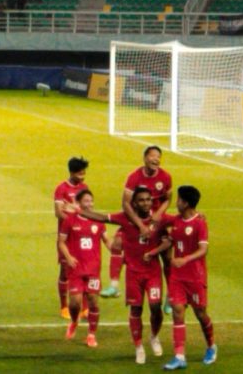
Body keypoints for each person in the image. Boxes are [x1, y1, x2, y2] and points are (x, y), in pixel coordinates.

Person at [79, 187, 167, 364]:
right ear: (134, 203)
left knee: (156, 307)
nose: (146, 203)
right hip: (133, 274)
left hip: (153, 273)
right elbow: (103, 218)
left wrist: (198, 217)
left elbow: (176, 225)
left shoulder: (158, 219)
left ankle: (154, 336)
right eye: (141, 200)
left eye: (148, 199)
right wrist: (80, 212)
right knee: (136, 310)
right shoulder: (125, 218)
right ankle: (138, 346)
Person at [102, 147, 173, 308]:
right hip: (137, 219)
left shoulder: (165, 177)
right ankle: (114, 285)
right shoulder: (134, 177)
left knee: (167, 256)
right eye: (152, 156)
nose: (156, 159)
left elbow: (169, 198)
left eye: (158, 157)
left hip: (156, 221)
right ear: (145, 158)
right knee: (117, 243)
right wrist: (140, 225)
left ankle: (171, 294)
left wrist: (159, 213)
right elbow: (125, 203)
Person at [161, 186, 217, 370]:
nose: (176, 203)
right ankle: (179, 356)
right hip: (177, 277)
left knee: (200, 313)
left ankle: (211, 346)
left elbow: (203, 249)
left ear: (185, 203)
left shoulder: (200, 223)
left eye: (178, 200)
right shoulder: (176, 221)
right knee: (178, 311)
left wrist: (184, 259)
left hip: (195, 277)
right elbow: (168, 234)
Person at [58, 189, 111, 348]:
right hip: (75, 268)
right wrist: (68, 257)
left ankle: (91, 334)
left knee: (94, 302)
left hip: (93, 269)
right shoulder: (70, 221)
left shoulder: (98, 221)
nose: (90, 204)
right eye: (86, 201)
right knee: (74, 303)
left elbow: (106, 241)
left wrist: (116, 252)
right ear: (79, 203)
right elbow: (61, 242)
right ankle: (74, 321)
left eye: (91, 201)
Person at [53, 157, 90, 319]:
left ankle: (85, 307)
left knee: (85, 270)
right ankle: (64, 307)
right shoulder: (61, 189)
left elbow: (87, 210)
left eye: (84, 173)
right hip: (66, 236)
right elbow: (58, 212)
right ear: (72, 172)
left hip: (82, 236)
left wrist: (74, 210)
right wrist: (74, 214)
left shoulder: (84, 188)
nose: (82, 177)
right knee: (65, 271)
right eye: (80, 173)